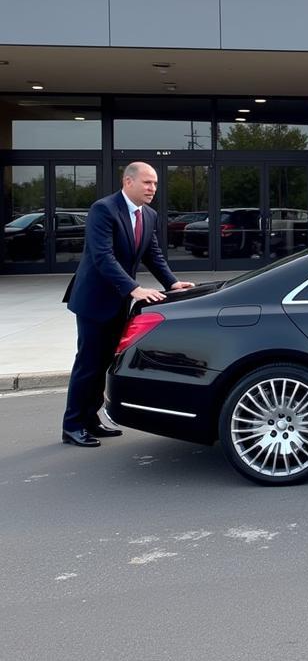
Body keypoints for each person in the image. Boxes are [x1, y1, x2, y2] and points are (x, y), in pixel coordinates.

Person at [61, 162, 195, 447]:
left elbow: (153, 254)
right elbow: (102, 257)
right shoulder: (104, 209)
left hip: (118, 300)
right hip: (94, 300)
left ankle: (91, 419)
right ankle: (72, 425)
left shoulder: (149, 214)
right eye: (147, 183)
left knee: (106, 362)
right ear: (128, 181)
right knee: (88, 363)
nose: (152, 189)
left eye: (155, 184)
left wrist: (172, 283)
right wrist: (134, 288)